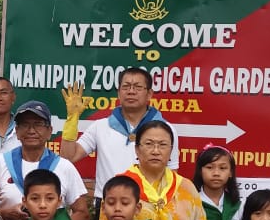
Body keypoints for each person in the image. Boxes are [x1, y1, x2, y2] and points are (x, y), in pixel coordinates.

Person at [59, 68, 180, 208]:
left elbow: (172, 175)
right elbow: (68, 157)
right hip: (108, 206)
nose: (131, 91)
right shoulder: (100, 126)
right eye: (126, 87)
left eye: (138, 87)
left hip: (150, 206)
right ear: (118, 93)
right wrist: (72, 120)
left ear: (149, 94)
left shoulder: (166, 130)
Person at [99, 120, 205, 220]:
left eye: (162, 145)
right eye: (149, 144)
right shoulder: (119, 187)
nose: (156, 151)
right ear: (137, 149)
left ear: (171, 151)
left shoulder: (186, 188)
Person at [0, 100, 88, 220]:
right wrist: (6, 213)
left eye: (38, 124)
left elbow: (83, 215)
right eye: (25, 124)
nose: (31, 130)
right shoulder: (0, 163)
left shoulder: (63, 167)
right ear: (17, 131)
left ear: (49, 131)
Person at [193, 144, 242, 220]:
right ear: (200, 171)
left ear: (230, 172)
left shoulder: (239, 205)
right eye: (209, 167)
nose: (216, 173)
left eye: (222, 168)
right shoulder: (192, 203)